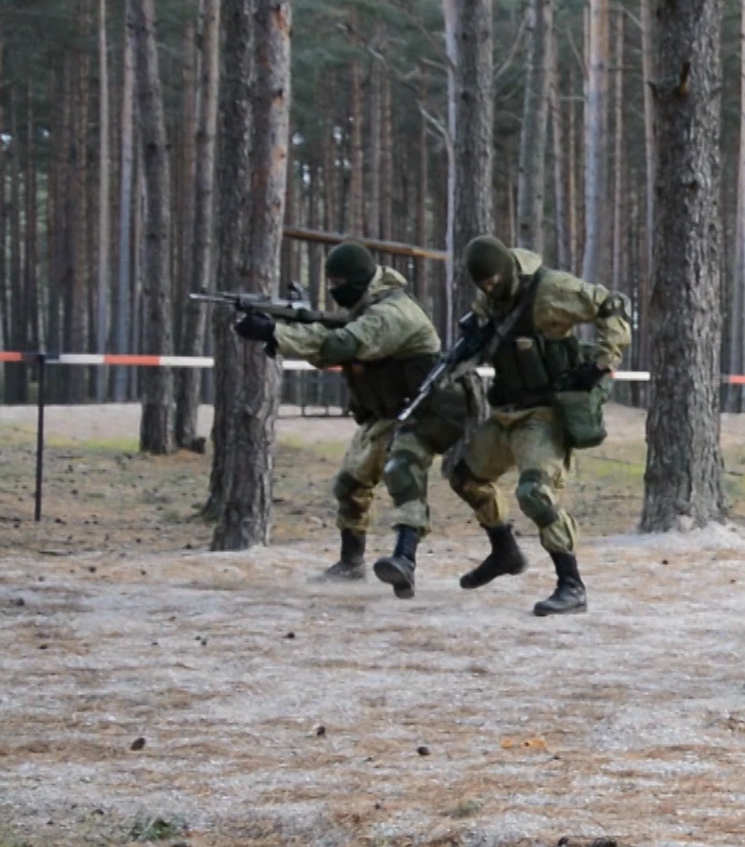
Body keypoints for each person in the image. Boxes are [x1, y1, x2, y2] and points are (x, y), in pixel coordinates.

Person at [229, 242, 469, 596]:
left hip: (422, 412)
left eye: (340, 281)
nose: (334, 289)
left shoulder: (391, 313)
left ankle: (405, 561)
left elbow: (339, 346)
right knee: (350, 486)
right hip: (385, 414)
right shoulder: (364, 308)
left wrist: (276, 333)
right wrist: (284, 327)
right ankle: (351, 564)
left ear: (358, 280)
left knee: (402, 476)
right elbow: (328, 344)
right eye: (331, 281)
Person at [444, 235, 632, 617]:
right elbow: (481, 332)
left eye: (494, 282)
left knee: (535, 493)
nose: (489, 289)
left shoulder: (551, 290)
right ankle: (504, 551)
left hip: (544, 414)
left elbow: (611, 305)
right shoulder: (488, 300)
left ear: (508, 270)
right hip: (505, 414)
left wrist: (602, 361)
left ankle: (571, 585)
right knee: (465, 478)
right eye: (482, 284)